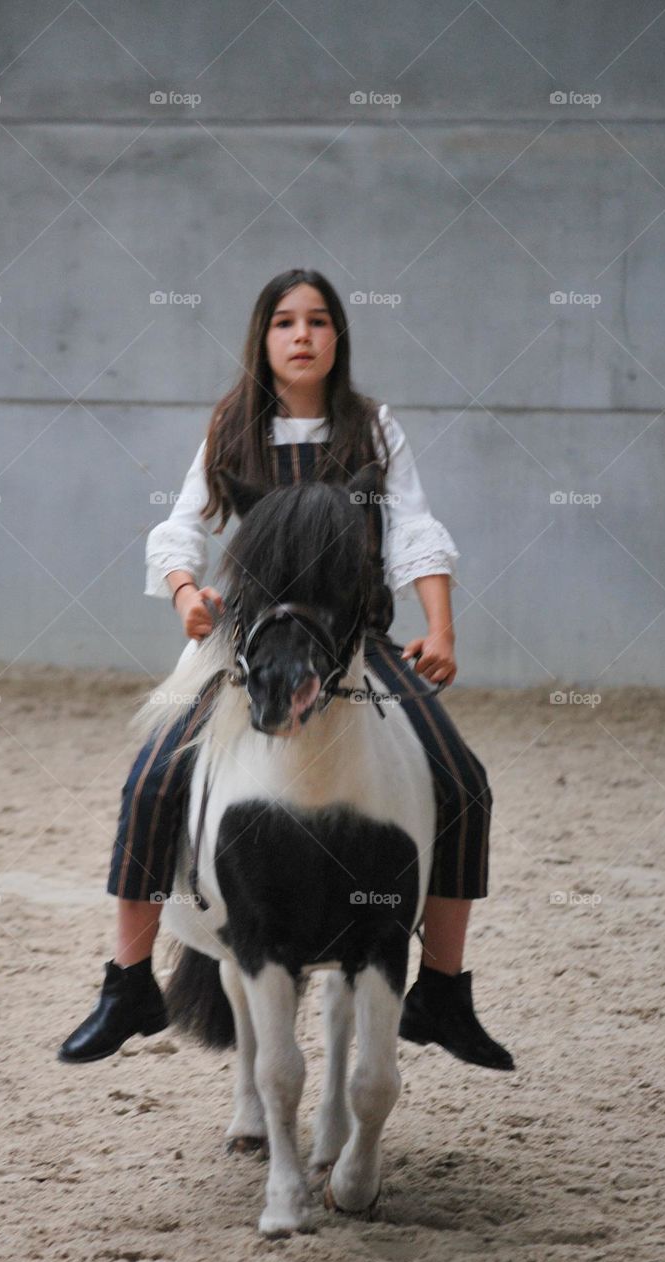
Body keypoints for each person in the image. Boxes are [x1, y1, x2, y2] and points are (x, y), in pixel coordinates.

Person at [58, 268, 514, 1072]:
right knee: (154, 779)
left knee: (463, 779)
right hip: (243, 645)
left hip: (353, 646)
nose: (302, 335)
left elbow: (414, 530)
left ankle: (444, 986)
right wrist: (185, 594)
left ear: (339, 337)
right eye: (284, 322)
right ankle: (128, 979)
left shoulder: (373, 431)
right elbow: (179, 532)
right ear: (262, 340)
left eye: (318, 321)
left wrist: (440, 626)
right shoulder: (233, 428)